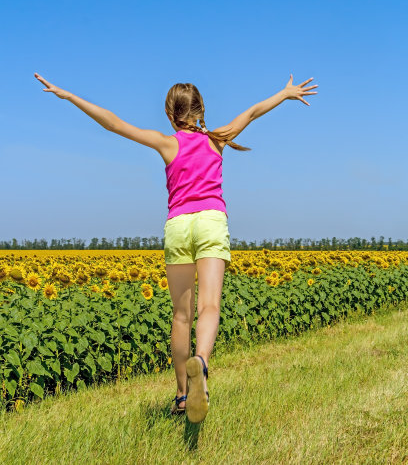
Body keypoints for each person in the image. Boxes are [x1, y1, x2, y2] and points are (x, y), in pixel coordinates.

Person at [34, 72, 318, 423]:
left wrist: (70, 96)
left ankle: (183, 396)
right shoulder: (219, 138)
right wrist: (285, 93)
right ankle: (201, 360)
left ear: (170, 114)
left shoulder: (167, 143)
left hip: (179, 226)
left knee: (181, 316)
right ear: (200, 111)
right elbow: (255, 111)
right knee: (210, 306)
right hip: (211, 221)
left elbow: (113, 123)